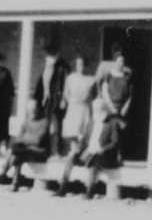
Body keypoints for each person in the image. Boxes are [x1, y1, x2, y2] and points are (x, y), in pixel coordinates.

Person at [56, 54, 96, 195]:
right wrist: (68, 101)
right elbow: (65, 94)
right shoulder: (70, 78)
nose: (80, 66)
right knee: (73, 144)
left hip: (84, 110)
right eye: (78, 64)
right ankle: (64, 184)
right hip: (73, 108)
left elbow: (94, 97)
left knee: (82, 143)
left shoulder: (91, 79)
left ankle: (67, 185)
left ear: (86, 65)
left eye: (83, 64)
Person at [82, 98, 126, 200]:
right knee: (72, 157)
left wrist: (102, 149)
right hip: (90, 151)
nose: (96, 112)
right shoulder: (91, 123)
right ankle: (63, 187)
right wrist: (79, 148)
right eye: (95, 109)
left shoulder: (111, 123)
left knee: (94, 163)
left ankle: (89, 191)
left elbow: (114, 142)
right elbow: (84, 140)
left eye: (98, 109)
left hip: (105, 154)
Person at [2, 101, 50, 192]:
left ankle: (5, 173)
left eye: (34, 110)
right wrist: (26, 140)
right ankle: (14, 183)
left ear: (38, 110)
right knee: (17, 154)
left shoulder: (44, 122)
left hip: (39, 151)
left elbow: (38, 141)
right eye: (30, 111)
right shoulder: (26, 121)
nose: (32, 113)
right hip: (26, 150)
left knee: (16, 152)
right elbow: (18, 138)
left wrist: (25, 139)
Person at [33, 45, 70, 156]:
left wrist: (64, 98)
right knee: (44, 125)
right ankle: (44, 150)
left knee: (57, 126)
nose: (48, 58)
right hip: (46, 101)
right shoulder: (45, 68)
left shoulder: (63, 68)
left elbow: (65, 84)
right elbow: (41, 86)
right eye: (48, 56)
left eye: (51, 56)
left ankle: (57, 150)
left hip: (57, 100)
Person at [100, 46, 132, 118]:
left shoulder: (127, 76)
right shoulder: (108, 75)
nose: (121, 63)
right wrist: (112, 108)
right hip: (109, 109)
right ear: (115, 62)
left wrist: (124, 109)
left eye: (122, 61)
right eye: (119, 61)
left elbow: (130, 95)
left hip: (123, 110)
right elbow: (105, 93)